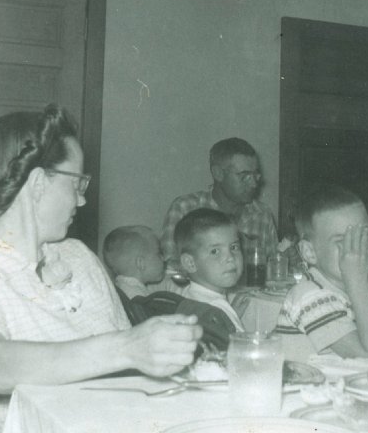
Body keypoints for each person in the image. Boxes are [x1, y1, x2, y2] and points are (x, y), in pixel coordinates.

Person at [0, 104, 201, 433]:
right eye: (77, 184)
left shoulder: (78, 256)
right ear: (38, 184)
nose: (81, 201)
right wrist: (130, 346)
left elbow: (128, 370)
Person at [275, 184, 368, 361]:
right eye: (341, 241)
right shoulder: (311, 296)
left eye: (364, 236)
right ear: (309, 252)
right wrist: (358, 281)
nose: (357, 249)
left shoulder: (338, 290)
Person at [161, 138, 278, 272]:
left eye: (255, 175)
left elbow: (273, 270)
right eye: (245, 176)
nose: (253, 184)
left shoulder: (262, 215)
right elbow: (171, 270)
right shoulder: (184, 208)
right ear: (218, 173)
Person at [173, 208, 246, 331]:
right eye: (215, 251)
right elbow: (243, 348)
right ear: (190, 263)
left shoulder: (186, 294)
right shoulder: (217, 307)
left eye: (234, 247)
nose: (230, 258)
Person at [102, 225, 167, 299]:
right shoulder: (138, 297)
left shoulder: (120, 287)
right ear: (141, 263)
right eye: (159, 253)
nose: (164, 258)